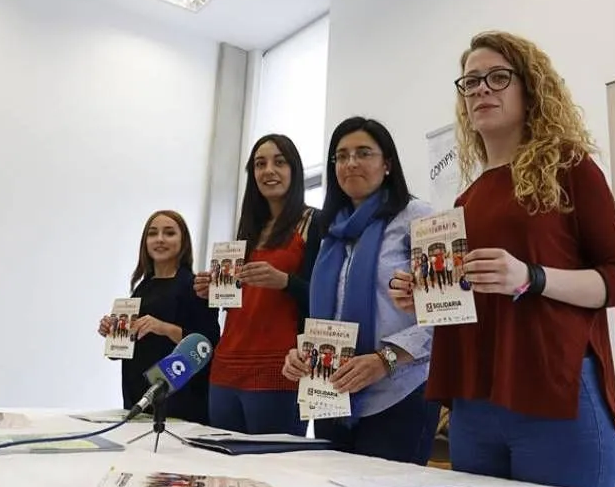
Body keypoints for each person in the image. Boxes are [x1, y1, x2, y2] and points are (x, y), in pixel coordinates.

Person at [390, 31, 615, 487]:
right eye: (471, 82)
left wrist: (531, 277)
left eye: (498, 77)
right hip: (475, 401)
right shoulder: (466, 199)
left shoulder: (570, 167)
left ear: (530, 87)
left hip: (555, 392)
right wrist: (424, 298)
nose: (481, 89)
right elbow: (471, 305)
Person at [281, 116, 440, 465]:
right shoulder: (331, 230)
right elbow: (327, 310)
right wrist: (303, 353)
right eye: (341, 156)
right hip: (330, 395)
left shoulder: (419, 217)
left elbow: (446, 313)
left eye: (364, 153)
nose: (351, 162)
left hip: (400, 393)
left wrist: (386, 360)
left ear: (387, 164)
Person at [194, 134, 321, 436]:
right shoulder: (248, 230)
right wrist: (214, 290)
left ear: (294, 170)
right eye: (260, 164)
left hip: (279, 367)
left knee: (272, 462)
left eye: (279, 162)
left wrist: (286, 282)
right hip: (226, 365)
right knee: (221, 460)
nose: (268, 171)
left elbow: (326, 297)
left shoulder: (313, 222)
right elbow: (241, 300)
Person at [97, 210, 220, 423]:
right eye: (153, 233)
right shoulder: (142, 287)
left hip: (181, 398)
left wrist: (163, 328)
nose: (160, 239)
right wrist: (115, 332)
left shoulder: (195, 288)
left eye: (169, 233)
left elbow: (207, 344)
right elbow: (124, 350)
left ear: (183, 241)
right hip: (137, 394)